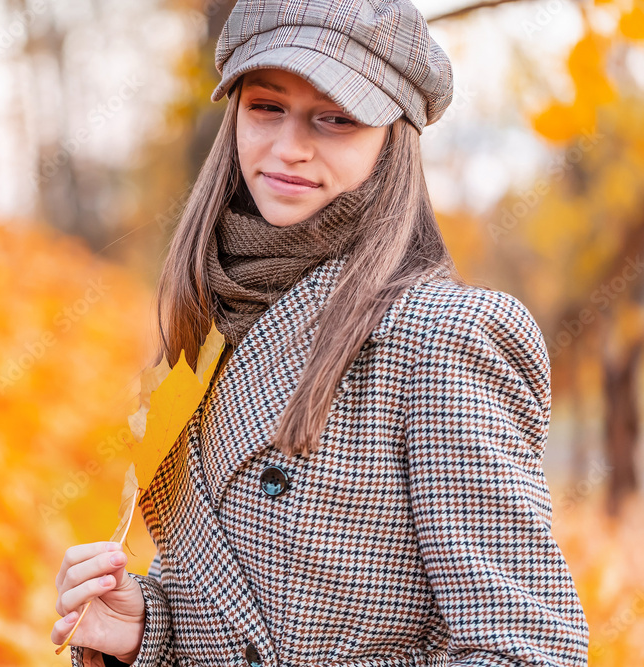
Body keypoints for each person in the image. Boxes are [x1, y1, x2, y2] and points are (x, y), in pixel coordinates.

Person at [51, 0, 591, 665]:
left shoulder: (443, 337)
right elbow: (237, 594)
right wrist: (148, 628)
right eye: (266, 107)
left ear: (392, 138)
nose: (289, 147)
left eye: (336, 118)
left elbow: (526, 649)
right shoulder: (213, 321)